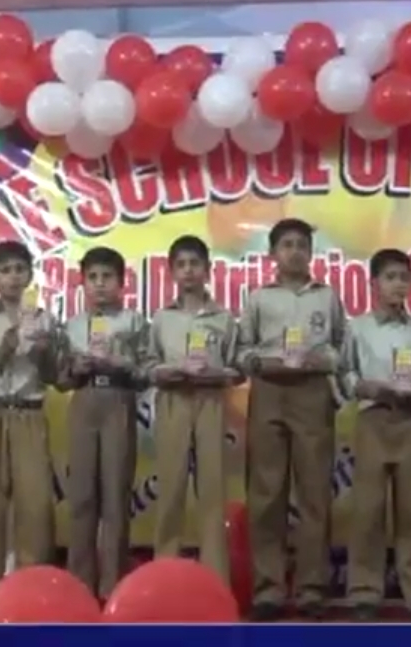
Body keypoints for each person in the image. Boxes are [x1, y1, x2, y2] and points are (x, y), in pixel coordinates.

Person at [237, 218, 345, 621]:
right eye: (287, 245)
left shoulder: (326, 297)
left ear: (311, 253)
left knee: (314, 492)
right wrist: (260, 363)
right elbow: (242, 350)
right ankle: (268, 589)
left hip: (312, 393)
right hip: (269, 390)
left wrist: (323, 360)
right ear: (273, 254)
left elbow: (342, 346)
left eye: (302, 245)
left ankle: (312, 588)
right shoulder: (258, 298)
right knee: (267, 493)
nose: (295, 251)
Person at [0, 240, 59, 610]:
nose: (13, 277)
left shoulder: (44, 319)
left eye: (20, 270)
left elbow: (55, 377)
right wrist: (4, 348)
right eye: (5, 270)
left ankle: (31, 591)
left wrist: (44, 353)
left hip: (29, 413)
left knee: (35, 505)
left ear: (30, 275)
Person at [340, 249, 411, 622]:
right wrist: (363, 386)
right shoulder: (358, 327)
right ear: (374, 284)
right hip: (373, 418)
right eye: (390, 277)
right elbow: (345, 371)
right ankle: (364, 592)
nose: (399, 284)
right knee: (368, 510)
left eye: (404, 278)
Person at [144, 235, 241, 586]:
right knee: (170, 490)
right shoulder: (162, 318)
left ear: (207, 270)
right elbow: (148, 365)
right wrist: (166, 371)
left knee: (212, 492)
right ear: (171, 272)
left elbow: (238, 368)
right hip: (173, 400)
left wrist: (218, 373)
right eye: (181, 265)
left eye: (195, 264)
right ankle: (163, 576)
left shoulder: (223, 319)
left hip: (211, 401)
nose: (188, 271)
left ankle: (216, 579)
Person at [59, 246, 147, 600]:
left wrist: (120, 363)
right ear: (82, 283)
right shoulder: (72, 326)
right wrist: (74, 369)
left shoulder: (133, 322)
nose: (99, 284)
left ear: (121, 283)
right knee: (81, 496)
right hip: (83, 400)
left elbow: (146, 372)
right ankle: (79, 585)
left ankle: (113, 586)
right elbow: (61, 379)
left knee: (115, 496)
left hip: (118, 400)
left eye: (107, 277)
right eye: (92, 277)